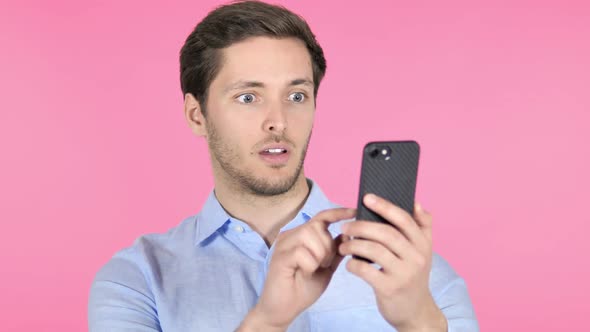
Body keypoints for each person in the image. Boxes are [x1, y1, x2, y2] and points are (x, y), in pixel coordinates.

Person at [88, 1, 479, 331]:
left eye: (296, 95)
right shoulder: (137, 280)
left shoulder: (414, 273)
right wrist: (268, 321)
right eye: (248, 98)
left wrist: (419, 321)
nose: (278, 120)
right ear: (197, 116)